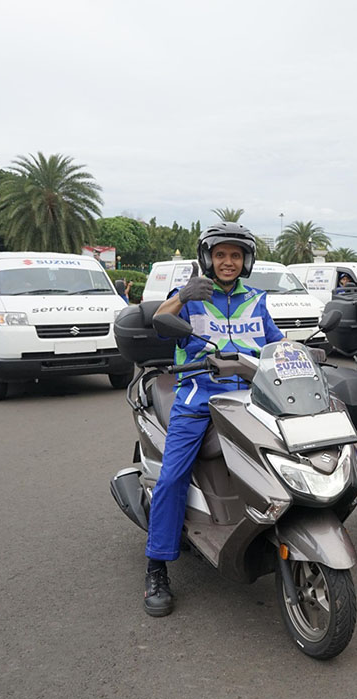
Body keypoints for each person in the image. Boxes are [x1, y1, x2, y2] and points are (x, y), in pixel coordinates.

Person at [142, 222, 284, 617]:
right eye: (220, 255)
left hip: (253, 397)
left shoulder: (256, 299)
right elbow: (159, 324)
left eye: (235, 255)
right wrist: (182, 296)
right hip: (197, 396)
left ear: (246, 261)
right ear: (208, 258)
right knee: (172, 477)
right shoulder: (191, 296)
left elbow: (274, 342)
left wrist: (300, 353)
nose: (227, 262)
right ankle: (157, 565)